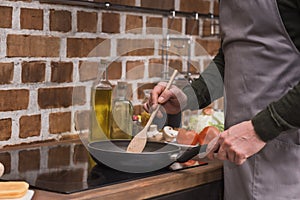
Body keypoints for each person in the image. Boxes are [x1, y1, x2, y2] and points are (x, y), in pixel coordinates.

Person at [144, 0, 300, 199]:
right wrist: (189, 96)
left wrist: (261, 128)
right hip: (238, 165)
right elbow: (231, 56)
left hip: (287, 166)